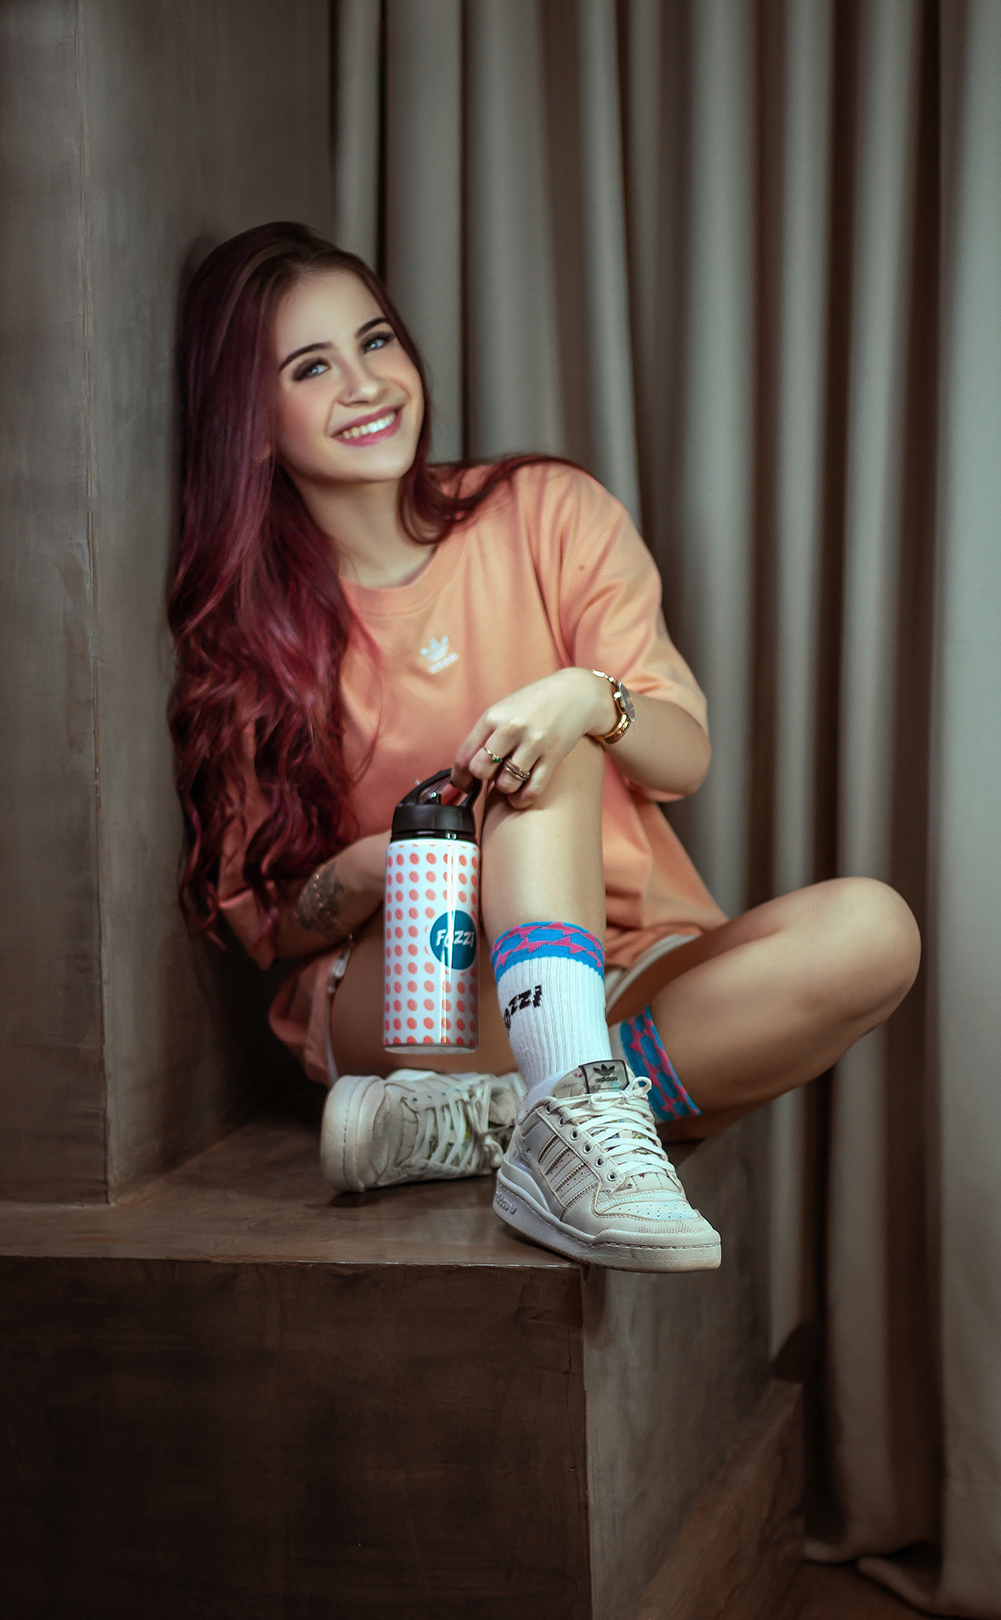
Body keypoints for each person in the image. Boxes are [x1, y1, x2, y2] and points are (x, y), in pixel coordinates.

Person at [168, 222, 920, 1274]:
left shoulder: (547, 511)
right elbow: (267, 928)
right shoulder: (251, 632)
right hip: (423, 982)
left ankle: (516, 1116)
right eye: (311, 367)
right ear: (251, 426)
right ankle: (565, 1108)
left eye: (375, 341)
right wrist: (384, 864)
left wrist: (589, 698)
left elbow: (683, 760)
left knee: (875, 931)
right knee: (540, 756)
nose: (366, 383)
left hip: (624, 960)